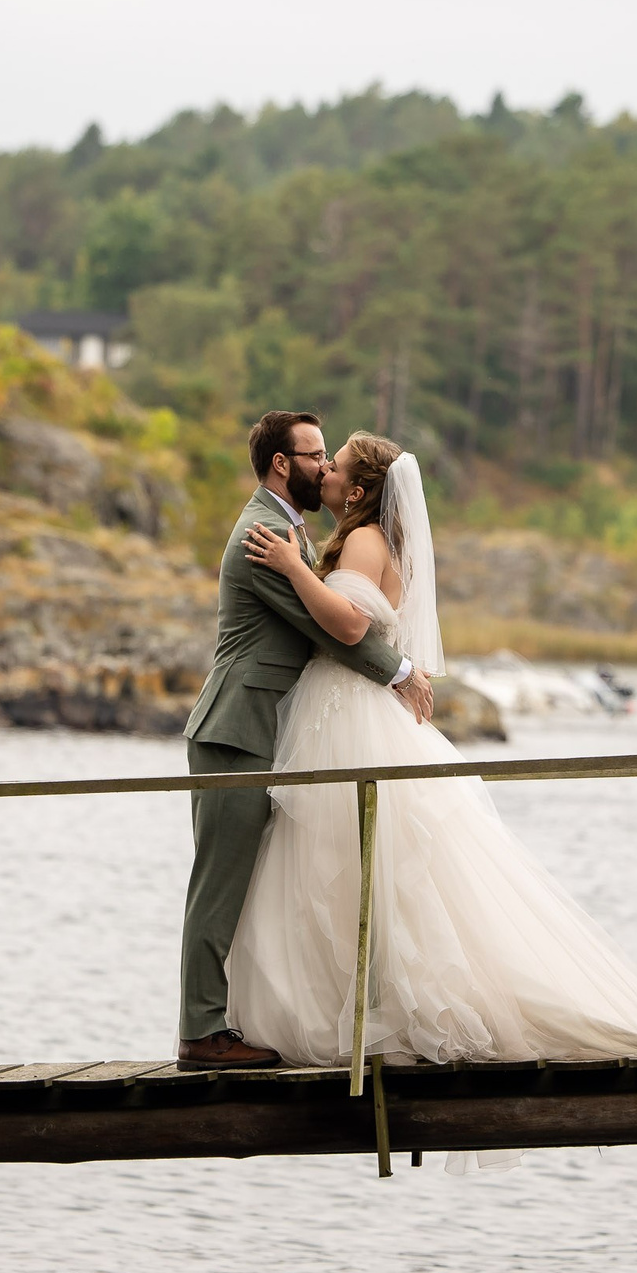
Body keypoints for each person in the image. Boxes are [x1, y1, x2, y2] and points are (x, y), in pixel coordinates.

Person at [226, 431, 637, 1085]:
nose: (325, 472)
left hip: (348, 715)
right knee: (346, 866)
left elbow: (346, 627)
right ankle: (355, 1001)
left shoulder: (368, 540)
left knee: (347, 864)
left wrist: (294, 569)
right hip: (344, 709)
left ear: (357, 488)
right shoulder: (363, 538)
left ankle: (365, 1009)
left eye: (336, 464)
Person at [175, 411, 434, 1069]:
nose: (325, 465)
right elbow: (330, 629)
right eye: (316, 454)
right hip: (237, 730)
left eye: (331, 456)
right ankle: (202, 1033)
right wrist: (400, 673)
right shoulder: (264, 535)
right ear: (283, 464)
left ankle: (234, 1018)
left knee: (256, 881)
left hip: (265, 730)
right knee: (219, 883)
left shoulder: (293, 528)